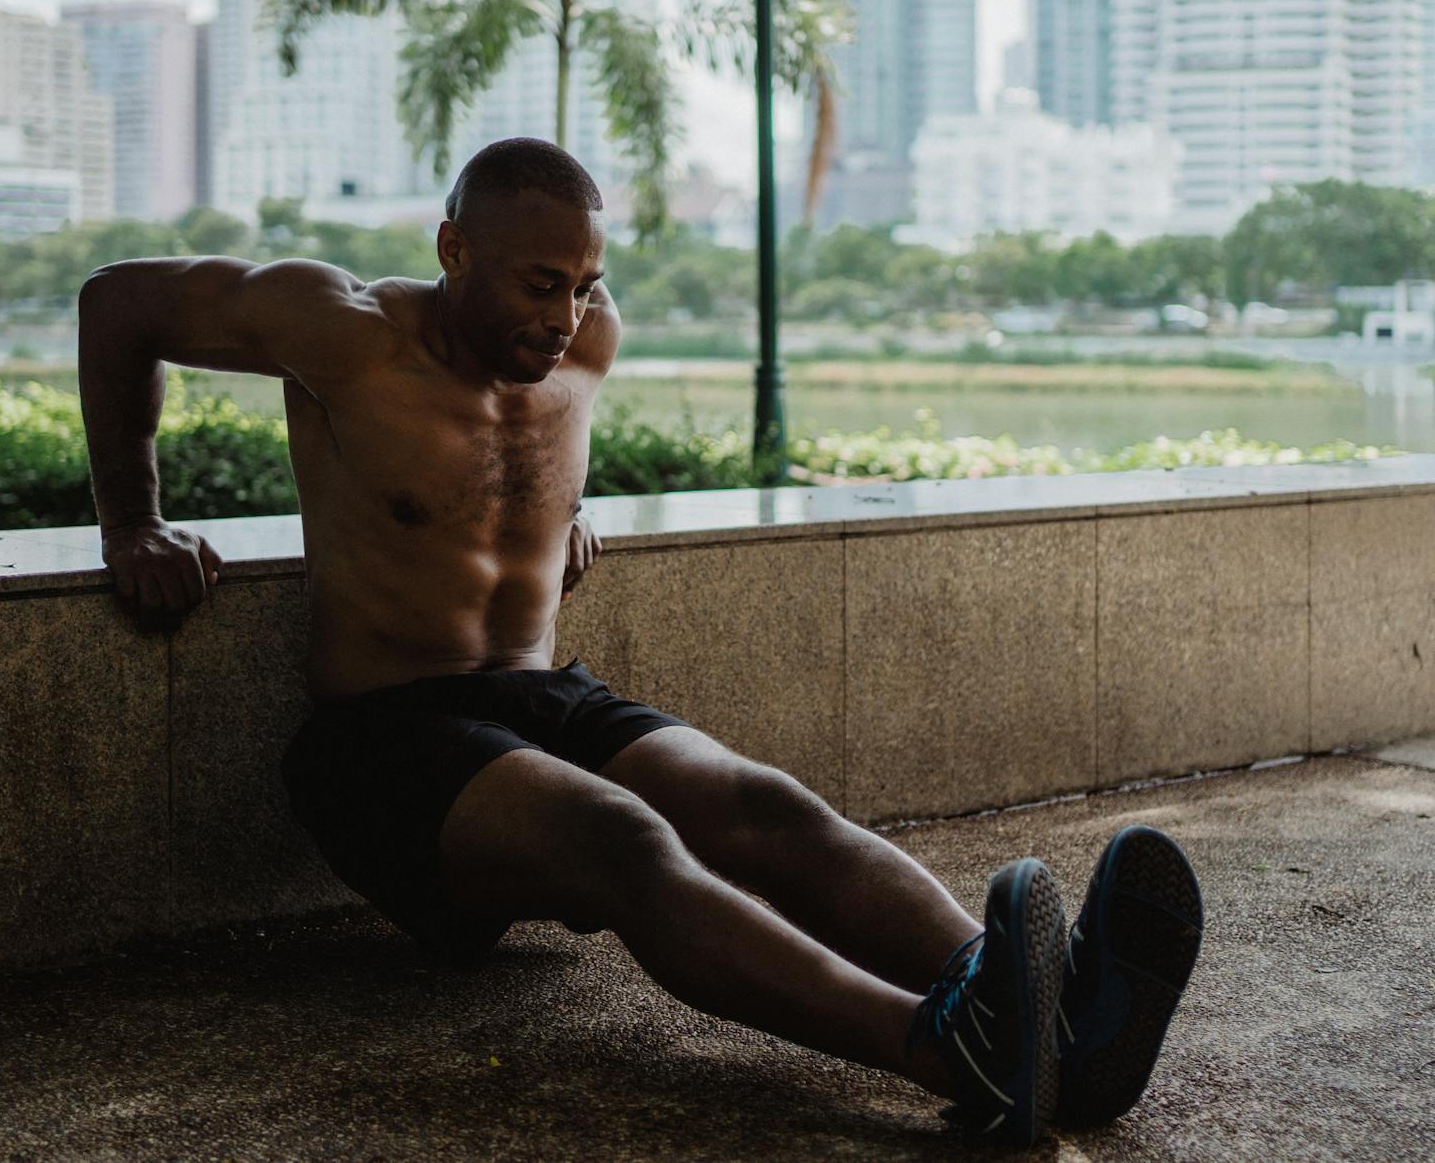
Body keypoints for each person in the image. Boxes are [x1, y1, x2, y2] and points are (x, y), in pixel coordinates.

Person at [77, 137, 1203, 1147]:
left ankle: (1048, 1023)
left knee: (761, 803)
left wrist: (556, 509)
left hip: (539, 696)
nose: (565, 316)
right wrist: (133, 521)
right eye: (538, 284)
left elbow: (501, 476)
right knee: (622, 836)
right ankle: (942, 1045)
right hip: (383, 739)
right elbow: (117, 304)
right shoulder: (345, 331)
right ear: (453, 247)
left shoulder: (583, 344)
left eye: (584, 284)